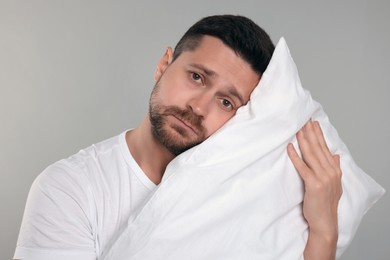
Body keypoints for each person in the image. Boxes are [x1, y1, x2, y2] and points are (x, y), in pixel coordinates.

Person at [14, 15, 342, 260]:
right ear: (164, 63)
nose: (198, 107)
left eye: (226, 102)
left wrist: (324, 232)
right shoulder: (70, 188)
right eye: (197, 77)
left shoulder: (243, 201)